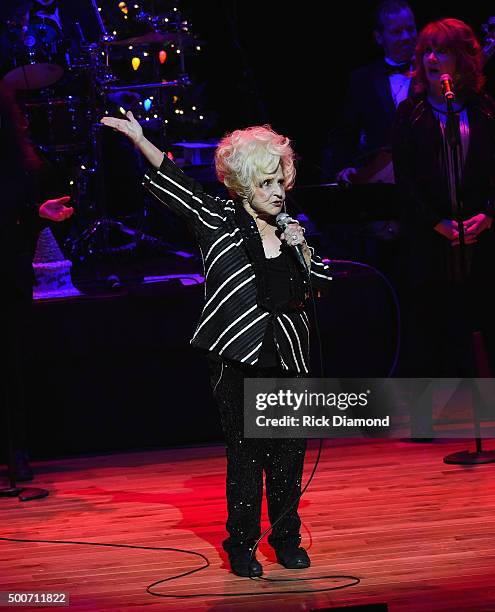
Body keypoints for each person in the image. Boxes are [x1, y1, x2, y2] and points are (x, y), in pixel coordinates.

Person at [101, 112, 333, 577]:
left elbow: (322, 282)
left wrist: (302, 246)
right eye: (265, 182)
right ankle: (242, 545)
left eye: (280, 179)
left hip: (289, 358)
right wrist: (140, 140)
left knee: (288, 457)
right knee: (246, 460)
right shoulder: (217, 221)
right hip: (237, 357)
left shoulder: (291, 231)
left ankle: (286, 540)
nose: (277, 190)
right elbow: (177, 182)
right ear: (245, 185)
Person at [392, 18, 495, 434]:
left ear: (463, 59)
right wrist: (437, 223)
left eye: (443, 51)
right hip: (431, 236)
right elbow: (405, 181)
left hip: (482, 232)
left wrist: (487, 214)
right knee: (433, 322)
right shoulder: (411, 113)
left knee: (486, 316)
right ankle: (429, 422)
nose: (433, 59)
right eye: (427, 52)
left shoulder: (486, 109)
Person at [1, 81, 73, 482]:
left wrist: (38, 213)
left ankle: (17, 451)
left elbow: (14, 212)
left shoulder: (12, 159)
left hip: (7, 271)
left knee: (11, 363)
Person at [333, 0, 417, 184]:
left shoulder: (431, 71)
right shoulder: (362, 80)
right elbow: (346, 132)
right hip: (381, 180)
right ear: (379, 37)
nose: (406, 36)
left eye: (410, 29)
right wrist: (344, 167)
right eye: (396, 32)